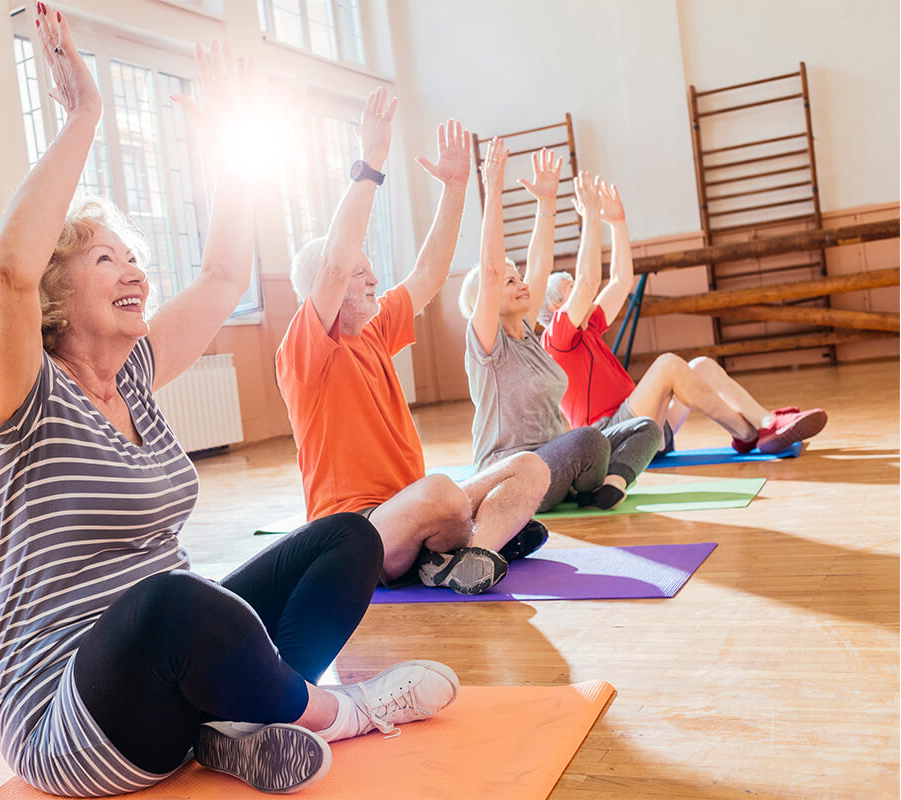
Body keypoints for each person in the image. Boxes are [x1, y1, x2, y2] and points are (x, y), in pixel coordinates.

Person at [0, 7, 458, 796]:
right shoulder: (26, 396)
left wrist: (229, 143)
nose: (135, 271)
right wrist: (86, 114)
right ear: (58, 294)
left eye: (136, 257)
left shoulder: (133, 375)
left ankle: (242, 722)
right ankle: (341, 710)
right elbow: (7, 275)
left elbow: (225, 274)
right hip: (68, 714)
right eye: (107, 259)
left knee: (348, 539)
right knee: (175, 602)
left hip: (170, 681)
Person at [277, 90, 550, 598]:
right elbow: (335, 261)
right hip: (353, 533)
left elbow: (430, 271)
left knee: (531, 468)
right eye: (361, 273)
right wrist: (371, 164)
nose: (373, 278)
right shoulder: (305, 347)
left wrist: (456, 187)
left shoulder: (376, 326)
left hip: (413, 505)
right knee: (443, 494)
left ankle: (472, 552)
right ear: (327, 288)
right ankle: (459, 544)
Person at [538, 174, 827, 456]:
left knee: (701, 366)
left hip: (643, 427)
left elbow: (620, 280)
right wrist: (589, 218)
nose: (580, 291)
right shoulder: (556, 340)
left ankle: (764, 422)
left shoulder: (588, 327)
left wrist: (617, 223)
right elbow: (589, 279)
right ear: (554, 308)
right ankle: (748, 433)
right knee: (667, 366)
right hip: (610, 441)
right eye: (570, 289)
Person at [459, 141, 662, 511]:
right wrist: (493, 185)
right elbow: (489, 271)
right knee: (588, 441)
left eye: (517, 277)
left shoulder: (530, 337)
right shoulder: (487, 345)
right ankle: (589, 480)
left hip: (557, 460)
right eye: (509, 282)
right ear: (486, 300)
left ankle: (608, 485)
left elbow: (539, 264)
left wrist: (547, 203)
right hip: (513, 475)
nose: (522, 283)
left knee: (646, 428)